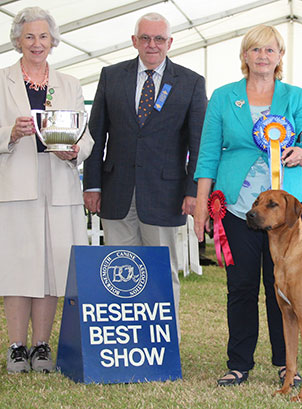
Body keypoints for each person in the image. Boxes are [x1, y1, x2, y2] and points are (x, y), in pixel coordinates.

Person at [193, 25, 302, 386]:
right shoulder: (222, 97)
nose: (263, 56)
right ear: (245, 56)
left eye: (270, 50)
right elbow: (208, 153)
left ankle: (286, 363)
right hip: (236, 208)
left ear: (280, 57)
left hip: (286, 213)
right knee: (242, 286)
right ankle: (239, 363)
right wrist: (203, 203)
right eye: (255, 50)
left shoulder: (295, 96)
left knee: (285, 289)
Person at [83, 12, 207, 337]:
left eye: (159, 39)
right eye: (146, 38)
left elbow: (199, 142)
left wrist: (193, 191)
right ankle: (124, 343)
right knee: (118, 271)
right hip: (115, 191)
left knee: (162, 272)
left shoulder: (191, 82)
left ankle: (165, 342)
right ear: (134, 40)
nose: (152, 45)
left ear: (170, 42)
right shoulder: (111, 76)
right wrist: (92, 183)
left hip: (166, 194)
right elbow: (95, 135)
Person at [0, 7, 94, 373]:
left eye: (43, 37)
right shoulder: (3, 80)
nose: (37, 44)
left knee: (54, 267)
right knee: (18, 266)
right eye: (29, 37)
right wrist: (10, 132)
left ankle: (42, 346)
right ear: (18, 41)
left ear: (53, 41)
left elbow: (85, 137)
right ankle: (16, 346)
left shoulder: (69, 83)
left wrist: (75, 152)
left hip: (59, 182)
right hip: (16, 184)